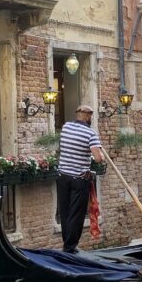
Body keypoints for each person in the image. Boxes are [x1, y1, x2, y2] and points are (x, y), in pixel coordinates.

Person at [56, 104, 106, 253]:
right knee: (76, 213)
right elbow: (98, 159)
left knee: (65, 212)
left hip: (63, 176)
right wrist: (100, 155)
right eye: (90, 115)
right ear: (87, 116)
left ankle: (67, 243)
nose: (91, 118)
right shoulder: (90, 134)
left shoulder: (65, 127)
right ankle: (70, 247)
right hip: (79, 179)